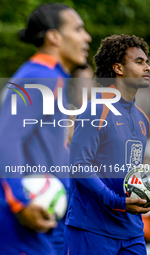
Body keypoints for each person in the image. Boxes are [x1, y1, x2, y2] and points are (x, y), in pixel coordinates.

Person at [0, 3, 91, 255]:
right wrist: (20, 204)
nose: (86, 37)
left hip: (26, 224)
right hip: (12, 221)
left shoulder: (51, 78)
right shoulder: (40, 76)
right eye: (78, 29)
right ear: (54, 37)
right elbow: (7, 141)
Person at [64, 34, 150, 254]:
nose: (147, 66)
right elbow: (79, 167)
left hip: (132, 232)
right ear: (118, 68)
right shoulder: (96, 110)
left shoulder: (142, 118)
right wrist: (117, 202)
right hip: (92, 231)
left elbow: (133, 173)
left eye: (146, 61)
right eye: (139, 62)